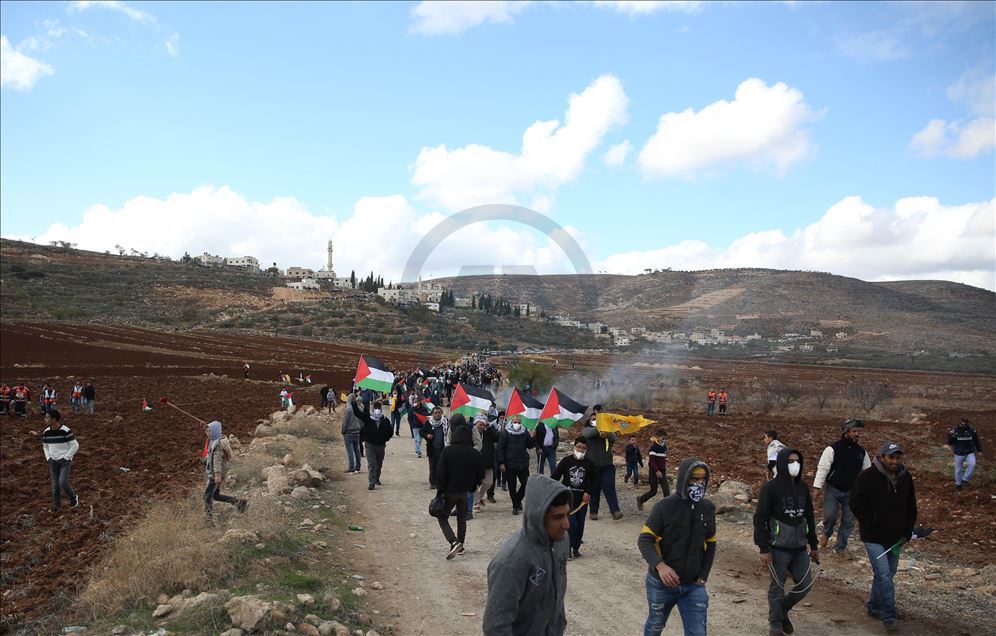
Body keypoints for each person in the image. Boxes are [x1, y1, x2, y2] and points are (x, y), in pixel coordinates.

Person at [482, 475, 570, 636]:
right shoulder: (512, 561)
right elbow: (495, 626)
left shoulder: (561, 540)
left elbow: (559, 586)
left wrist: (559, 623)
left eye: (567, 515)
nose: (566, 524)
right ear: (539, 517)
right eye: (558, 517)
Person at [638, 459, 717, 636]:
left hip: (693, 586)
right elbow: (644, 540)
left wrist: (703, 576)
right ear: (684, 479)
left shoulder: (708, 508)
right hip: (661, 585)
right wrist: (660, 566)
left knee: (698, 633)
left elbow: (711, 543)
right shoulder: (664, 507)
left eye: (703, 479)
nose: (699, 483)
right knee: (655, 627)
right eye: (694, 479)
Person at [850, 442, 917, 633]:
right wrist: (871, 521)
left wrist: (907, 531)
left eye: (898, 457)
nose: (895, 461)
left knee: (889, 573)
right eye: (891, 457)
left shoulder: (905, 477)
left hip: (895, 537)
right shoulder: (867, 477)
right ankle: (889, 616)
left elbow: (911, 506)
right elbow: (855, 504)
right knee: (884, 575)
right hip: (873, 536)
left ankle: (873, 606)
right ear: (882, 457)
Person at [753, 448, 819, 636]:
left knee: (805, 584)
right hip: (778, 548)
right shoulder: (770, 488)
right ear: (782, 463)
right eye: (790, 461)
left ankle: (782, 610)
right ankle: (775, 626)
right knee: (777, 587)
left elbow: (809, 517)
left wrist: (814, 545)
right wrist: (763, 548)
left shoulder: (803, 487)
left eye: (797, 461)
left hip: (800, 548)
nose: (795, 464)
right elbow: (760, 518)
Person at [812, 418, 871, 554]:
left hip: (852, 491)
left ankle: (840, 548)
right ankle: (827, 532)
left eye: (858, 431)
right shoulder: (832, 449)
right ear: (846, 432)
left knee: (849, 521)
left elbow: (867, 473)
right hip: (833, 489)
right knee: (830, 516)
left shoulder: (861, 452)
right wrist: (817, 487)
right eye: (854, 431)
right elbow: (823, 468)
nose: (857, 434)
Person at [435, 417, 484, 558]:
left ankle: (453, 541)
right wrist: (472, 486)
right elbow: (480, 474)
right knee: (461, 519)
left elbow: (440, 473)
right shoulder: (474, 453)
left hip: (449, 491)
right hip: (465, 492)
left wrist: (440, 491)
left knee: (442, 516)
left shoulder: (448, 451)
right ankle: (461, 545)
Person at [551, 437, 596, 559]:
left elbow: (594, 480)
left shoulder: (589, 463)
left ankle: (576, 547)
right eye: (579, 447)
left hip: (582, 499)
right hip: (568, 497)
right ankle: (567, 548)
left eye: (583, 448)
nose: (580, 450)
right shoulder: (566, 461)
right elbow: (555, 476)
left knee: (580, 524)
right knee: (571, 523)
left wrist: (588, 492)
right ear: (574, 446)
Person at [581, 405, 622, 520]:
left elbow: (613, 436)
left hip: (607, 465)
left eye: (598, 419)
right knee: (594, 489)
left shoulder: (607, 430)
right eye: (594, 419)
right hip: (592, 466)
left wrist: (606, 433)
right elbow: (587, 434)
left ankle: (615, 511)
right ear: (590, 421)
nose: (596, 421)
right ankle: (593, 512)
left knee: (609, 487)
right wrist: (599, 428)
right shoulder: (587, 429)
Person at [204, 420, 249, 520]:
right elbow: (211, 432)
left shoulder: (218, 445)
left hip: (216, 474)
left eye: (209, 431)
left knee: (207, 496)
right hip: (218, 473)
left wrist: (217, 474)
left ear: (215, 432)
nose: (207, 433)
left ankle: (208, 520)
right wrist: (205, 426)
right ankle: (239, 502)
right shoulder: (217, 438)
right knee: (215, 495)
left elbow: (217, 460)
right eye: (207, 431)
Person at [42, 409, 79, 513]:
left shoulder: (65, 430)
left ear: (54, 419)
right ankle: (56, 506)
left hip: (64, 462)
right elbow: (45, 446)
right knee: (55, 486)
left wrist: (66, 457)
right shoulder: (46, 432)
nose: (45, 419)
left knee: (62, 482)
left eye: (47, 417)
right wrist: (49, 458)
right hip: (53, 461)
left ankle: (73, 497)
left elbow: (75, 445)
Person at [497, 414, 535, 514]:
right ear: (511, 422)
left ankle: (518, 500)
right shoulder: (505, 433)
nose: (517, 424)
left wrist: (532, 437)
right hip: (510, 464)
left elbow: (530, 445)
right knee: (512, 486)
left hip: (523, 463)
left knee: (526, 483)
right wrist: (501, 462)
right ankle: (515, 506)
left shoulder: (524, 432)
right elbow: (500, 448)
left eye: (519, 422)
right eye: (515, 422)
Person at [352, 398, 393, 490]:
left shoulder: (385, 420)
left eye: (378, 408)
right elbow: (358, 413)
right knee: (372, 464)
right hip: (370, 444)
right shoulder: (368, 418)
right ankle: (371, 482)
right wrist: (354, 404)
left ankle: (376, 478)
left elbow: (390, 431)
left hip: (381, 445)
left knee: (379, 464)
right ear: (372, 409)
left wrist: (385, 439)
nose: (377, 410)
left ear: (381, 409)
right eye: (375, 408)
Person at [637, 428, 670, 510]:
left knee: (666, 490)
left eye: (665, 439)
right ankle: (641, 499)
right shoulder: (653, 447)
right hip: (653, 472)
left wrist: (663, 469)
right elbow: (651, 462)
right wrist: (657, 471)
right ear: (657, 437)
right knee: (653, 491)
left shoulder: (664, 447)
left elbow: (663, 459)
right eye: (663, 438)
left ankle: (667, 509)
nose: (664, 440)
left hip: (662, 472)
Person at [474, 412, 499, 512]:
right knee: (474, 483)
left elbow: (496, 437)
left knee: (489, 482)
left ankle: (479, 497)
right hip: (475, 463)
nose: (482, 427)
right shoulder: (470, 433)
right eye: (480, 424)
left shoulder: (487, 432)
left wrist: (489, 427)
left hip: (488, 462)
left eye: (483, 425)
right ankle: (475, 504)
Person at [948, 418, 982, 491]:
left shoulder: (972, 431)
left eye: (965, 424)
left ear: (967, 424)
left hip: (969, 452)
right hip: (959, 453)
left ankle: (965, 479)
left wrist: (979, 450)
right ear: (960, 423)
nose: (963, 426)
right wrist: (951, 435)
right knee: (958, 470)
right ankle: (958, 484)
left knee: (972, 464)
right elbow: (950, 442)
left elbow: (976, 441)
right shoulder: (955, 431)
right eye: (962, 424)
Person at [421, 406, 449, 489]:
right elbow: (421, 432)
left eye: (439, 412)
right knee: (433, 467)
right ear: (432, 414)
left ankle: (441, 482)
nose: (437, 414)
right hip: (432, 449)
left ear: (442, 413)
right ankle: (433, 483)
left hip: (443, 449)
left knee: (442, 467)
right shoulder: (428, 423)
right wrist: (427, 435)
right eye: (435, 413)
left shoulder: (446, 423)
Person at [340, 394, 362, 474]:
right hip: (357, 432)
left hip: (349, 432)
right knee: (357, 450)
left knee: (350, 451)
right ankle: (358, 466)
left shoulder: (348, 409)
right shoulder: (359, 408)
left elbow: (345, 422)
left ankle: (351, 467)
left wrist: (343, 431)